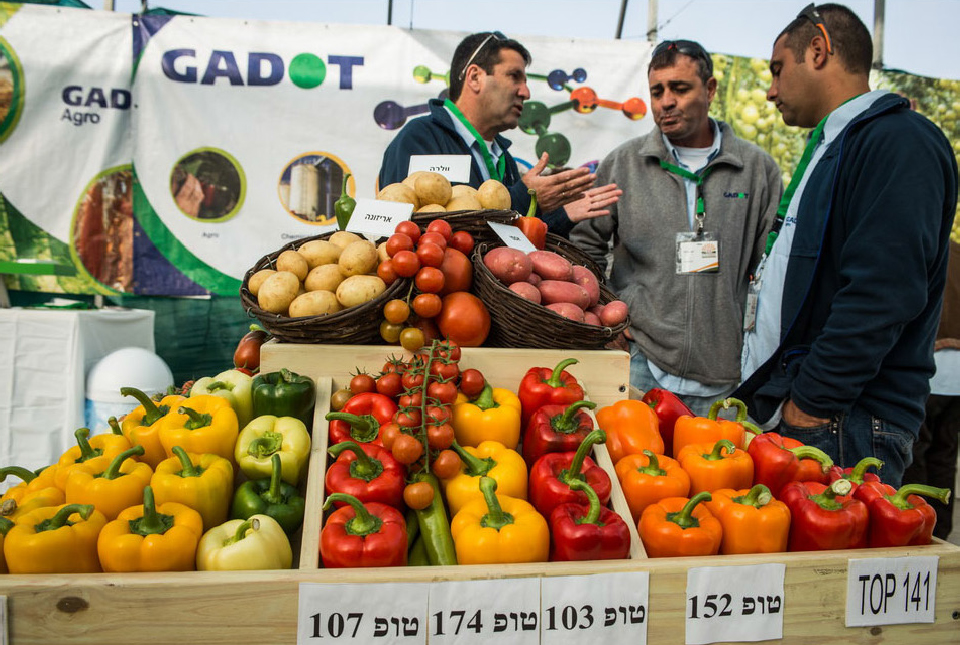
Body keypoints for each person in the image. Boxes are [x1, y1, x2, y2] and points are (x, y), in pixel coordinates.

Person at [735, 3, 958, 488]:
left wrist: (811, 404)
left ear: (818, 50)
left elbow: (884, 291)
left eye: (777, 69)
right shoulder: (835, 144)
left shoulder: (899, 140)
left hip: (842, 423)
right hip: (814, 416)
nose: (771, 90)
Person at [569, 39, 782, 415]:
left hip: (725, 375)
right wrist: (607, 315)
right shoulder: (623, 165)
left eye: (680, 88)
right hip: (639, 363)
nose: (666, 101)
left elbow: (769, 268)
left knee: (714, 475)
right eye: (657, 91)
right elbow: (581, 248)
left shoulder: (757, 170)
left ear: (710, 89)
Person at [378, 31, 621, 237]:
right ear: (475, 78)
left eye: (526, 81)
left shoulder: (505, 159)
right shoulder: (420, 138)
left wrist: (562, 215)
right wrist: (525, 198)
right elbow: (410, 238)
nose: (525, 92)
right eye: (514, 76)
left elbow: (507, 245)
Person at [903, 240, 960, 539]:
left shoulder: (928, 248)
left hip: (929, 371)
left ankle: (921, 525)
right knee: (945, 453)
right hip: (957, 380)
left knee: (916, 452)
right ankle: (942, 529)